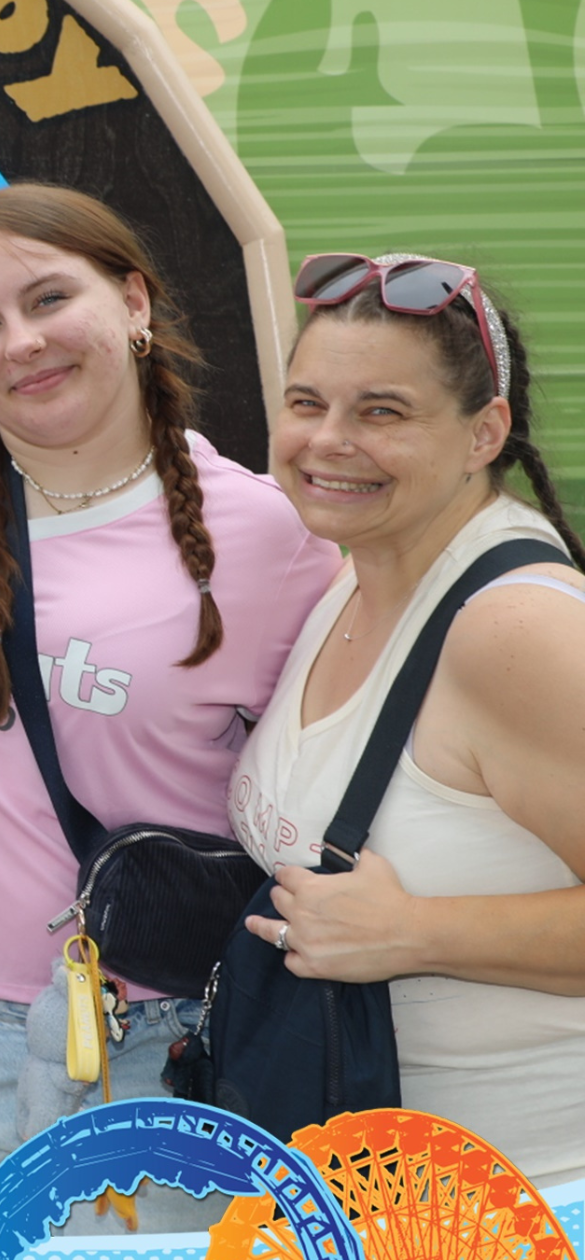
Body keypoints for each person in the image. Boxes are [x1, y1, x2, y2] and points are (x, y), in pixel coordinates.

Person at [0, 185, 341, 1234]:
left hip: (146, 1052)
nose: (18, 343)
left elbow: (340, 787)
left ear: (131, 302)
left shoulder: (264, 537)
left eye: (46, 299)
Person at [230, 253, 585, 1186]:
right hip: (377, 1191)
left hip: (531, 1201)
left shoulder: (515, 628)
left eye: (381, 411)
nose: (327, 440)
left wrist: (415, 933)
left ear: (484, 433)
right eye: (306, 403)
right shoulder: (356, 567)